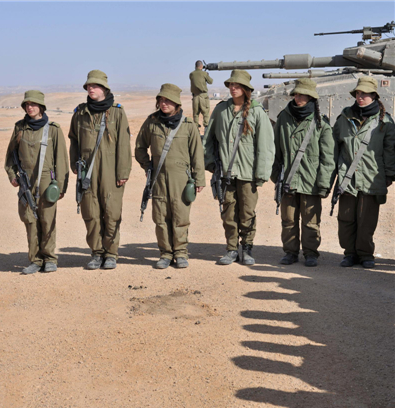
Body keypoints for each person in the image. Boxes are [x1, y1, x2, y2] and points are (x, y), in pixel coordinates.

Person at [203, 70, 274, 265]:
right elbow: (208, 139)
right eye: (231, 85)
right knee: (228, 211)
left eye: (237, 85)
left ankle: (247, 248)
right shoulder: (220, 110)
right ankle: (232, 249)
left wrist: (261, 173)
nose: (233, 88)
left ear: (246, 89)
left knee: (247, 212)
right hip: (225, 172)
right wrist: (210, 163)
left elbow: (266, 146)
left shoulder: (257, 111)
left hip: (248, 173)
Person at [135, 83, 205, 269]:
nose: (164, 103)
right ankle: (165, 253)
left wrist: (199, 179)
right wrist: (148, 166)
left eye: (168, 100)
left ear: (176, 103)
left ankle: (181, 253)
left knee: (181, 218)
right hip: (158, 179)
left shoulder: (188, 125)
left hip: (181, 179)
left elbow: (197, 154)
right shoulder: (151, 122)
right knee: (161, 218)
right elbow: (140, 148)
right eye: (161, 100)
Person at [69, 70, 132, 270]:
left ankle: (111, 254)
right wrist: (75, 166)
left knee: (111, 213)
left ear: (104, 88)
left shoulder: (117, 112)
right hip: (87, 172)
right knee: (91, 213)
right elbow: (74, 141)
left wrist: (123, 172)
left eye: (95, 86)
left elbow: (123, 143)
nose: (91, 88)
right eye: (88, 86)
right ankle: (97, 253)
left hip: (111, 171)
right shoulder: (80, 113)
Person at [271, 79, 336, 267]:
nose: (298, 97)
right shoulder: (284, 117)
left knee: (311, 221)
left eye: (302, 94)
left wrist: (324, 184)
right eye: (296, 94)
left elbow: (328, 157)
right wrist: (276, 176)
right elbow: (276, 150)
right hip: (287, 179)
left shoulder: (321, 123)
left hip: (311, 180)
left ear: (311, 97)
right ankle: (290, 252)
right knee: (288, 220)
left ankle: (311, 253)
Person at [333, 76, 395, 268]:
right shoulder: (344, 118)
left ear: (374, 95)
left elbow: (390, 150)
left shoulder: (384, 121)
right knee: (346, 219)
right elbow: (335, 147)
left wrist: (389, 175)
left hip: (371, 177)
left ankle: (366, 254)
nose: (360, 97)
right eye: (358, 93)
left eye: (365, 94)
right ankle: (349, 253)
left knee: (367, 220)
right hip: (347, 178)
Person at [4, 90, 69, 274]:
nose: (29, 107)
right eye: (27, 105)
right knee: (30, 220)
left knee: (47, 220)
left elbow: (62, 160)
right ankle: (35, 260)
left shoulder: (53, 129)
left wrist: (61, 187)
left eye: (33, 104)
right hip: (26, 182)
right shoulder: (19, 128)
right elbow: (10, 157)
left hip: (48, 182)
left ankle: (49, 259)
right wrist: (12, 176)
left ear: (41, 106)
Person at [189, 60, 213, 131]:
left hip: (195, 97)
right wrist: (207, 75)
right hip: (203, 96)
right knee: (206, 113)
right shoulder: (204, 73)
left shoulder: (191, 74)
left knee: (195, 114)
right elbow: (210, 81)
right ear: (201, 66)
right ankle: (206, 130)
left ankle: (196, 130)